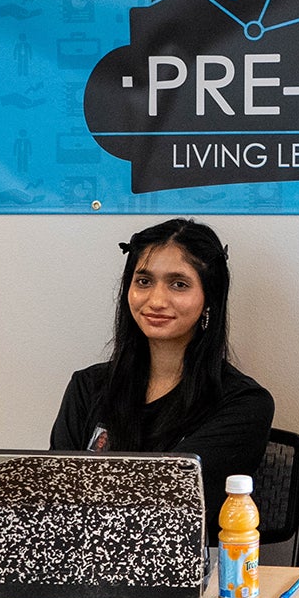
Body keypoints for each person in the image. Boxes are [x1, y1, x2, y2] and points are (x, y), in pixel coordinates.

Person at [50, 218, 274, 540]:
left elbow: (170, 506)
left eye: (178, 284)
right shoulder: (87, 387)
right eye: (143, 281)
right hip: (83, 568)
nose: (156, 300)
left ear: (209, 298)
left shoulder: (244, 404)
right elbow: (56, 500)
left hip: (187, 577)